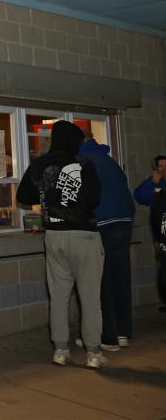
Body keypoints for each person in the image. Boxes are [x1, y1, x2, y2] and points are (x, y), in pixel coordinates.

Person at [17, 120, 104, 368]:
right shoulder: (84, 164)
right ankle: (94, 353)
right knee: (90, 297)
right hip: (84, 236)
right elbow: (95, 199)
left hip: (54, 234)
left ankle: (60, 350)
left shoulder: (40, 164)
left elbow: (24, 196)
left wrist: (46, 191)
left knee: (58, 296)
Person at [79, 135, 134, 350]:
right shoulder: (108, 159)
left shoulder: (83, 162)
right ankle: (122, 332)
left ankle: (108, 336)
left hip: (103, 223)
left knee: (102, 282)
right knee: (120, 278)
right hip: (124, 221)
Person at [134, 155, 166, 312]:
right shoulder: (155, 183)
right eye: (161, 166)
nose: (164, 169)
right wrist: (152, 182)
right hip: (160, 236)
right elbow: (140, 196)